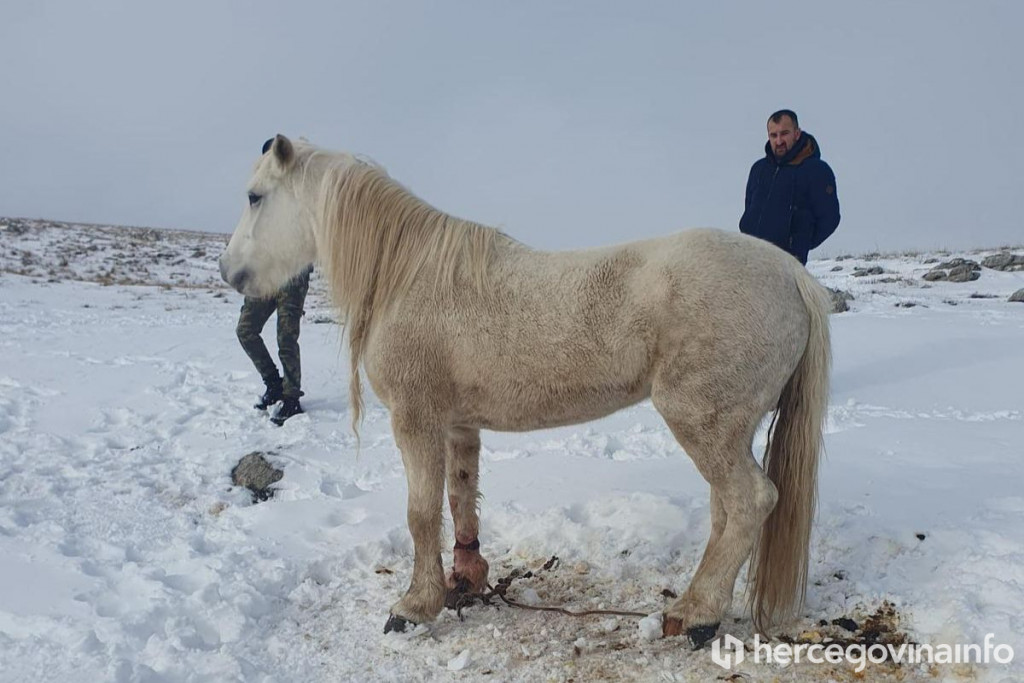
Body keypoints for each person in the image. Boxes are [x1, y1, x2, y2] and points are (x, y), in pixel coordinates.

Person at [740, 109, 840, 265]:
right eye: (774, 135)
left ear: (797, 133)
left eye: (784, 133)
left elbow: (829, 218)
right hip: (750, 259)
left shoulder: (816, 170)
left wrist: (800, 243)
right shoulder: (759, 169)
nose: (779, 141)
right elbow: (749, 206)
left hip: (788, 265)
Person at [235, 266, 312, 425]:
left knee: (286, 339)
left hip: (293, 273)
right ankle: (274, 384)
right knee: (245, 330)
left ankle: (291, 397)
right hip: (262, 273)